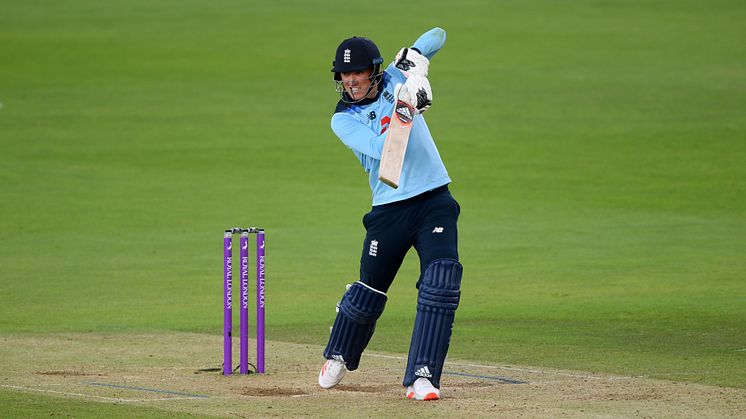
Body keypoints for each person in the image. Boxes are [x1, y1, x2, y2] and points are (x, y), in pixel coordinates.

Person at [318, 27, 462, 401]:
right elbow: (386, 149)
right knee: (370, 292)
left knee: (442, 282)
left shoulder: (398, 77)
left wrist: (416, 66)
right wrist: (407, 104)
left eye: (357, 73)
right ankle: (339, 352)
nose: (350, 81)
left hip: (434, 199)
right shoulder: (343, 120)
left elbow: (438, 35)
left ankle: (422, 376)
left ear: (375, 71)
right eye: (344, 75)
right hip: (389, 210)